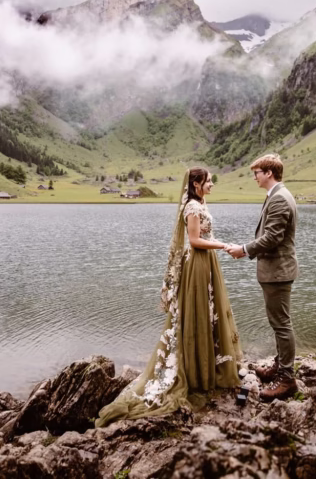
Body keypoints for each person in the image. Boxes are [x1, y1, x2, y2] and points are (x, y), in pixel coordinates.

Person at [96, 167, 242, 426]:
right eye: (208, 181)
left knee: (209, 312)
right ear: (196, 184)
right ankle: (196, 372)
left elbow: (205, 235)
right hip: (198, 263)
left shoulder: (201, 203)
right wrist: (222, 246)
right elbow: (195, 241)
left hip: (207, 263)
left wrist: (222, 245)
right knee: (198, 312)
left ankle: (208, 366)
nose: (212, 184)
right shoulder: (192, 207)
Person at [225, 153, 299, 401]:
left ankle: (287, 379)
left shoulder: (279, 198)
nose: (254, 177)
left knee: (282, 324)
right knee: (279, 322)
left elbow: (273, 237)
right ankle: (280, 365)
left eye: (256, 173)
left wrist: (244, 249)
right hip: (276, 270)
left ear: (269, 173)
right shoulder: (277, 195)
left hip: (278, 271)